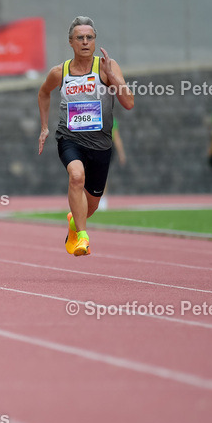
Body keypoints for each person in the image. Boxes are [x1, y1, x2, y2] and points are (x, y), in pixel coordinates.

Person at [37, 16, 134, 256]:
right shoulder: (60, 72)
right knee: (76, 176)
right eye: (79, 38)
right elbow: (43, 93)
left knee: (90, 206)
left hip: (101, 144)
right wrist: (44, 127)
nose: (85, 42)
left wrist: (112, 76)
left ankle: (75, 222)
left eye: (89, 37)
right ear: (70, 42)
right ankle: (82, 237)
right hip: (69, 138)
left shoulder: (106, 67)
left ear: (95, 41)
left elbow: (129, 102)